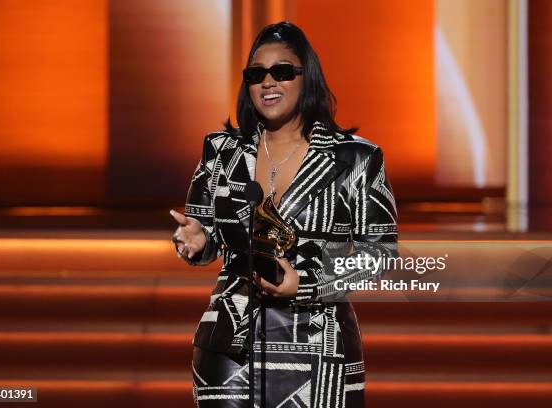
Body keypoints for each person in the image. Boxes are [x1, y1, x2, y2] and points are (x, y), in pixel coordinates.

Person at [170, 21, 397, 408]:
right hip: (229, 349)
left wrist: (306, 283)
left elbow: (380, 254)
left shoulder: (354, 158)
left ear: (306, 77)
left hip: (320, 350)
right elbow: (207, 236)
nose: (268, 83)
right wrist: (198, 240)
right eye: (257, 74)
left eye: (282, 72)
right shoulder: (222, 151)